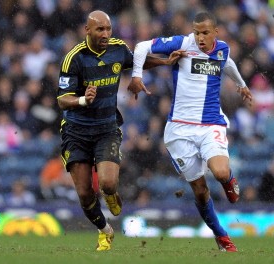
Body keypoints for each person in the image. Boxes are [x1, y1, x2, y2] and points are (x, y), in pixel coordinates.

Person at [57, 10, 182, 251]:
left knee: (107, 183)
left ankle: (111, 193)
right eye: (100, 29)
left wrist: (164, 61)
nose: (105, 34)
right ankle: (105, 230)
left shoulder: (117, 48)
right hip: (76, 132)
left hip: (106, 128)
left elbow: (138, 61)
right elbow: (63, 99)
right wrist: (83, 100)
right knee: (84, 193)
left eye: (108, 29)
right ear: (87, 30)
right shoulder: (74, 58)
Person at [128, 11, 252, 252]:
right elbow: (142, 46)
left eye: (205, 32)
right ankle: (221, 235)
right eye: (196, 32)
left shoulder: (222, 49)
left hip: (210, 124)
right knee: (200, 189)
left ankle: (228, 179)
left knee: (220, 171)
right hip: (180, 130)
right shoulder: (183, 43)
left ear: (216, 32)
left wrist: (242, 85)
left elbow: (227, 63)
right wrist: (136, 75)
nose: (200, 37)